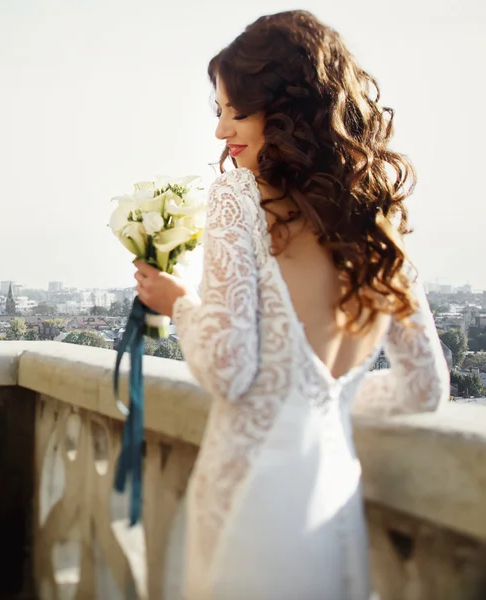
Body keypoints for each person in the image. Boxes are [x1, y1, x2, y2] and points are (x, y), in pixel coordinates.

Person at [134, 10, 449, 600]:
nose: (220, 130)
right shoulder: (378, 224)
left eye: (235, 110)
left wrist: (178, 303)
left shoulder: (238, 197)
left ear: (287, 110)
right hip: (332, 499)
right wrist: (330, 402)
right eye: (219, 110)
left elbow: (229, 369)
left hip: (249, 503)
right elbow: (425, 389)